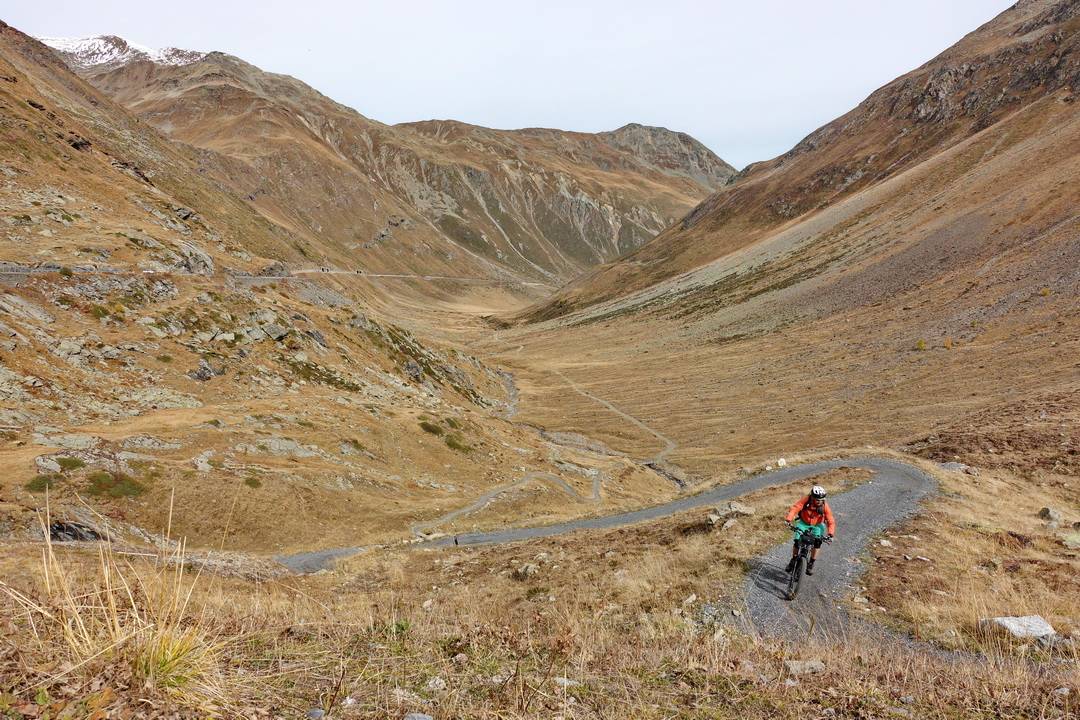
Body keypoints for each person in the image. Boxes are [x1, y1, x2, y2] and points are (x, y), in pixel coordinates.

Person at [783, 485, 835, 575]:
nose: (819, 502)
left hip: (817, 526)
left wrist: (830, 534)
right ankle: (793, 559)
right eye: (817, 499)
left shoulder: (824, 506)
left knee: (818, 542)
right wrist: (789, 519)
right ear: (812, 497)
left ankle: (811, 563)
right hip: (803, 523)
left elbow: (830, 520)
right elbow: (795, 508)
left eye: (822, 499)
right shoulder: (806, 500)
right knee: (797, 540)